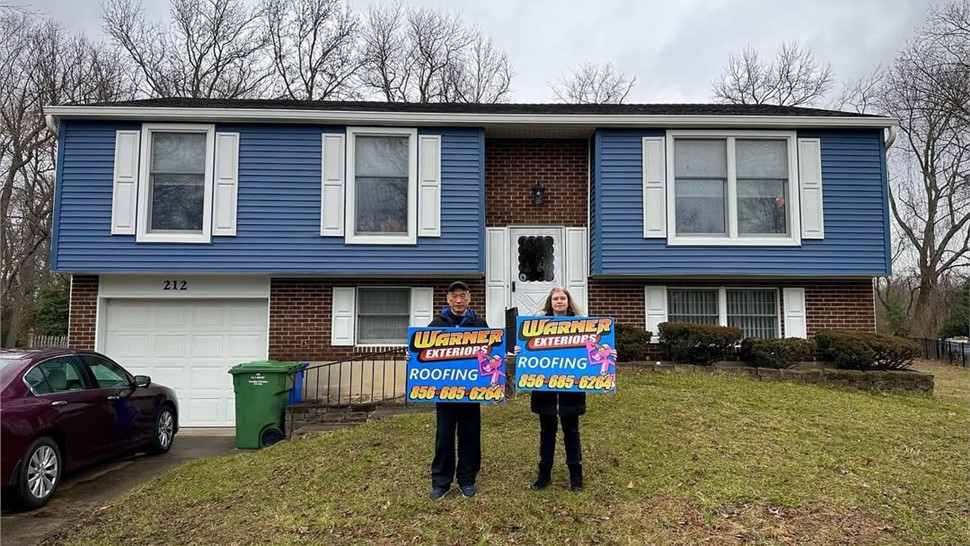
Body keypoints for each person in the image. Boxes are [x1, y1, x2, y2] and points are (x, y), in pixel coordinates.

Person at [427, 281, 489, 501]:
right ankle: (441, 482)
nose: (459, 300)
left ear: (469, 299)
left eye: (463, 296)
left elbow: (490, 354)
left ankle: (467, 479)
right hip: (444, 393)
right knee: (444, 436)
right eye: (455, 296)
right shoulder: (436, 324)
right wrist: (412, 358)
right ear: (448, 299)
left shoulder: (479, 323)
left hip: (471, 392)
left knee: (470, 435)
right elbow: (424, 353)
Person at [529, 286, 587, 492]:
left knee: (571, 432)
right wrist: (520, 350)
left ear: (568, 301)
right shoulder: (537, 327)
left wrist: (608, 356)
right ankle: (544, 474)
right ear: (550, 302)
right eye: (556, 298)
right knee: (547, 432)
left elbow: (593, 353)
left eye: (563, 298)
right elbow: (529, 353)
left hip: (571, 392)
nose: (559, 301)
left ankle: (576, 476)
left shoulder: (583, 327)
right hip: (545, 392)